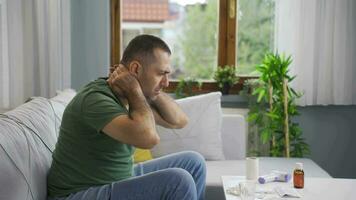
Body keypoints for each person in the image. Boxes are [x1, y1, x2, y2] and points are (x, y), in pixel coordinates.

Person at [47, 34, 206, 200]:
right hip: (79, 194)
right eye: (161, 74)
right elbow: (149, 139)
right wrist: (135, 90)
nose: (166, 82)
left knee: (194, 162)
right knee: (179, 181)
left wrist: (149, 89)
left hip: (117, 179)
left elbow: (180, 121)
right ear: (136, 69)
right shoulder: (95, 100)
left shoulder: (133, 97)